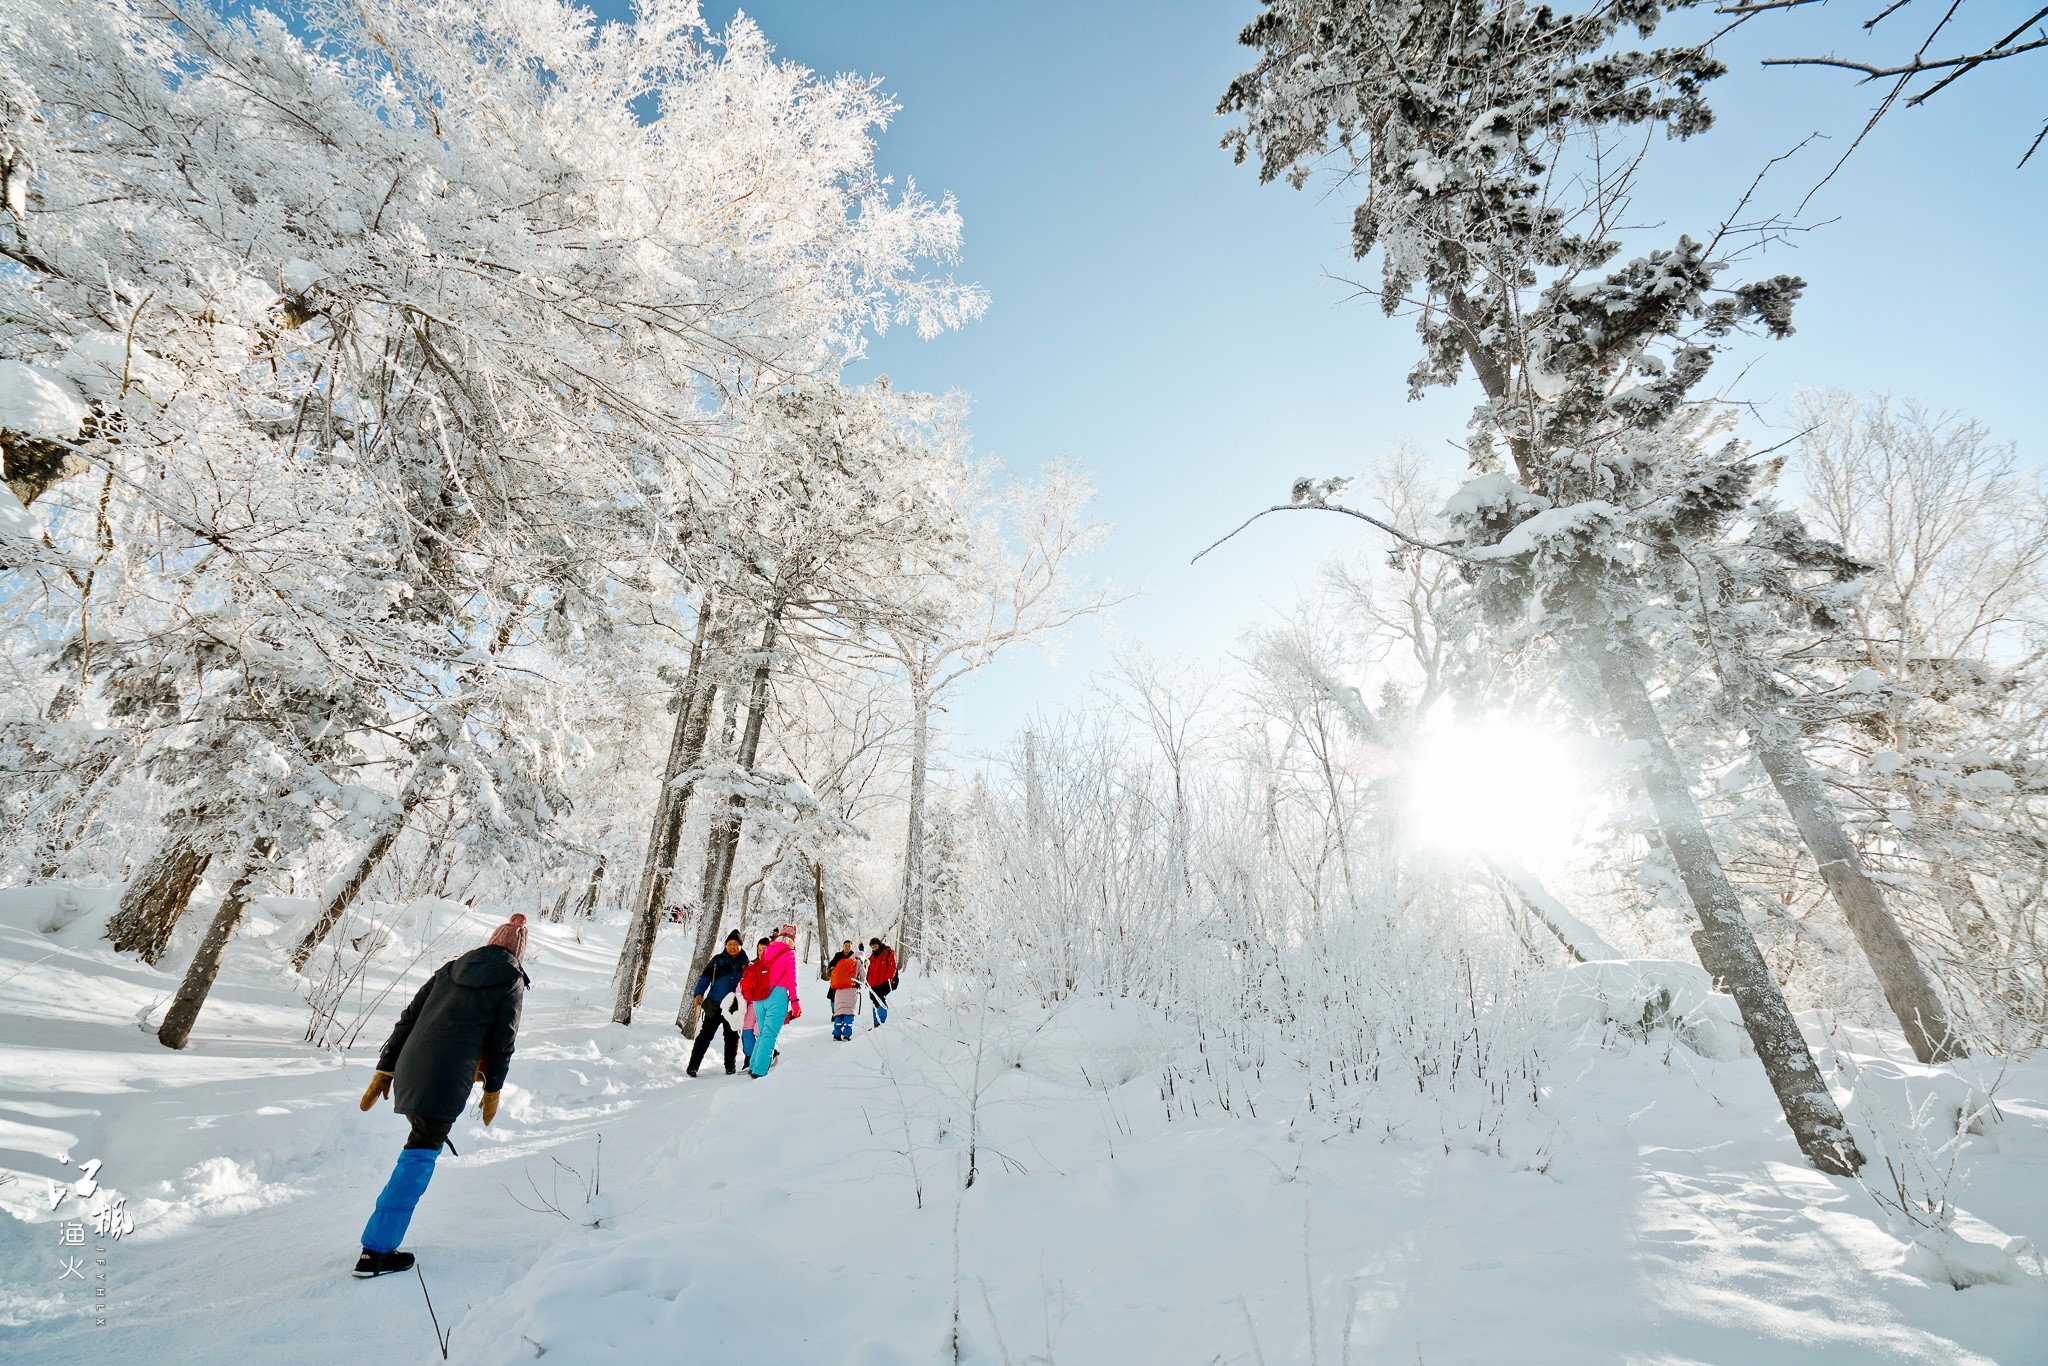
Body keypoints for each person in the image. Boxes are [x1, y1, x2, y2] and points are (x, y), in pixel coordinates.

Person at [354, 912, 528, 1278]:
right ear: (518, 951)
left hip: (411, 1065)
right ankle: (377, 1252)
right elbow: (503, 1041)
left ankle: (378, 1246)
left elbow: (408, 1018)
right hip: (448, 1075)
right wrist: (494, 1087)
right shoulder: (510, 979)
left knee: (418, 1147)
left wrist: (386, 1067)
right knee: (418, 1156)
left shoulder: (450, 969)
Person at [685, 931, 749, 1076]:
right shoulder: (717, 960)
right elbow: (705, 977)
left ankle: (730, 1067)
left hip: (733, 1007)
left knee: (732, 1037)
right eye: (729, 944)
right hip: (715, 1004)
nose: (732, 947)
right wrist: (699, 993)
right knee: (705, 1036)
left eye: (735, 945)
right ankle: (693, 1066)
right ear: (726, 945)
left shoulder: (746, 964)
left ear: (740, 946)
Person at [747, 923, 800, 1078]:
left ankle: (753, 1065)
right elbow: (792, 979)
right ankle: (759, 1071)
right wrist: (795, 1002)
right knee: (770, 1034)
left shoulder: (768, 949)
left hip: (760, 997)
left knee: (763, 1033)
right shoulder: (790, 953)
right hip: (777, 997)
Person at [741, 936, 771, 1059]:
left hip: (767, 1003)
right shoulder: (752, 965)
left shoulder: (774, 966)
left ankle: (765, 1055)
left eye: (764, 949)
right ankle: (749, 1057)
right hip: (752, 1003)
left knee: (760, 1030)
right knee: (746, 1028)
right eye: (759, 949)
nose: (761, 952)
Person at [828, 941, 862, 1041]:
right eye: (845, 946)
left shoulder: (853, 956)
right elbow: (830, 966)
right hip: (843, 985)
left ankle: (837, 1026)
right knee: (834, 1000)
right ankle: (835, 1014)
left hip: (842, 985)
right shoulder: (838, 955)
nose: (847, 947)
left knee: (838, 1002)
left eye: (849, 946)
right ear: (843, 946)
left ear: (851, 946)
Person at [867, 936, 898, 1027]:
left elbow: (892, 967)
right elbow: (868, 968)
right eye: (872, 946)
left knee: (880, 1000)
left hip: (883, 983)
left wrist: (888, 980)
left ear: (879, 944)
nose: (873, 948)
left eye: (875, 946)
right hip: (873, 984)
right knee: (874, 1001)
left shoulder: (887, 952)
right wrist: (867, 981)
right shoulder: (873, 956)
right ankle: (876, 1024)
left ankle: (881, 1023)